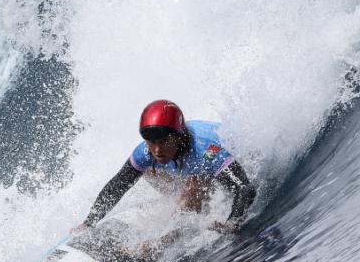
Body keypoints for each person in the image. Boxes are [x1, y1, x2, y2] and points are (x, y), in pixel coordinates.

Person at [75, 99, 256, 236]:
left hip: (237, 159)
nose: (157, 149)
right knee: (143, 170)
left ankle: (182, 216)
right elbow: (119, 184)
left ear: (178, 136)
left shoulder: (206, 150)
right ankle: (183, 202)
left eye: (163, 142)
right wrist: (89, 222)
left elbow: (245, 188)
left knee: (191, 194)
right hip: (193, 167)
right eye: (152, 143)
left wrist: (233, 222)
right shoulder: (146, 151)